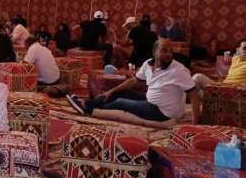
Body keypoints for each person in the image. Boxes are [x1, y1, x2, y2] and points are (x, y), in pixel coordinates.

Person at [67, 39, 199, 123]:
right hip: (150, 102)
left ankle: (87, 107)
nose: (169, 54)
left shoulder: (178, 70)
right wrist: (111, 91)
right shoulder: (148, 64)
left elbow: (194, 94)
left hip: (162, 112)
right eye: (164, 50)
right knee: (118, 93)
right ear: (154, 52)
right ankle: (87, 103)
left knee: (120, 102)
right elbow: (134, 81)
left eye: (171, 51)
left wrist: (195, 124)